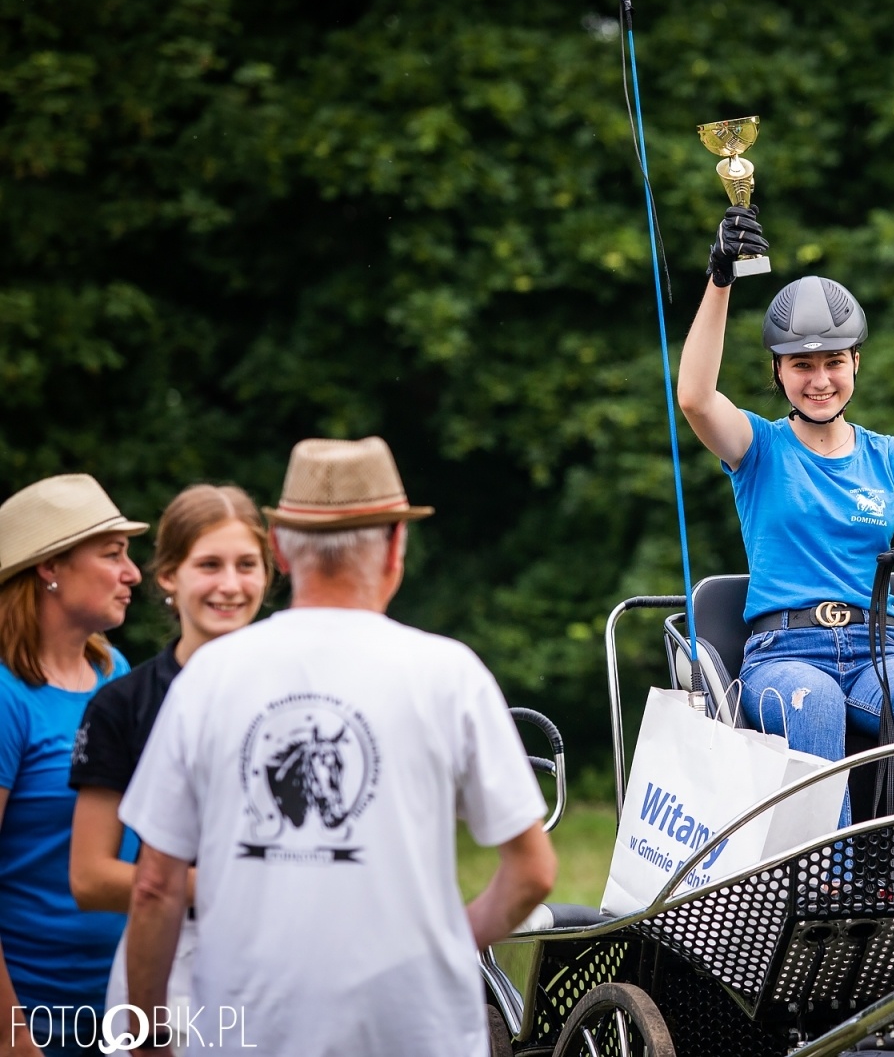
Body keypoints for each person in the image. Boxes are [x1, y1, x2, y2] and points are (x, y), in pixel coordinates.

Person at [118, 438, 556, 1056]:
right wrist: (448, 944)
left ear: (278, 549)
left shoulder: (209, 677)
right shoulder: (448, 674)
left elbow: (154, 887)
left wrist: (148, 1035)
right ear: (396, 547)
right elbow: (533, 871)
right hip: (414, 1031)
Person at [677, 205, 894, 825]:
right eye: (802, 365)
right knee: (815, 706)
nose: (820, 380)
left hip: (880, 648)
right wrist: (721, 280)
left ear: (856, 362)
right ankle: (826, 895)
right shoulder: (759, 448)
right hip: (785, 651)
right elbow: (695, 398)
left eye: (834, 361)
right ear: (778, 372)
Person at [68, 485, 272, 1045]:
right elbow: (89, 877)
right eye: (209, 564)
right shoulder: (123, 703)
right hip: (170, 970)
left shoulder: (296, 691)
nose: (230, 585)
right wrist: (228, 885)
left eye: (246, 565)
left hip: (285, 962)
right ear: (168, 576)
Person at [0, 475, 146, 1056]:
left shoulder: (115, 673)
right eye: (112, 555)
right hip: (36, 1021)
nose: (132, 573)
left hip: (117, 1010)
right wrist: (13, 1039)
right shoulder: (8, 697)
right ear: (49, 567)